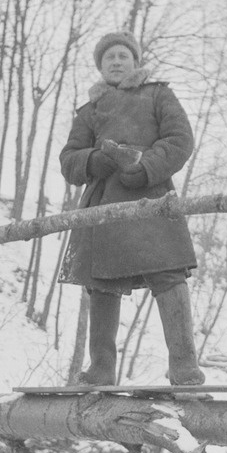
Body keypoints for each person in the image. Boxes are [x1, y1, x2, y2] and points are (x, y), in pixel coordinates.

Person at [58, 30, 205, 386]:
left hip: (151, 200)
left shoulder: (158, 94)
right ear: (101, 67)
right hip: (102, 209)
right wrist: (94, 160)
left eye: (123, 56)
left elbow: (180, 140)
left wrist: (146, 167)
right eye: (109, 58)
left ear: (135, 62)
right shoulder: (90, 110)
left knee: (169, 274)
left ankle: (184, 367)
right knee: (102, 285)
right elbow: (68, 159)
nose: (116, 62)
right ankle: (101, 370)